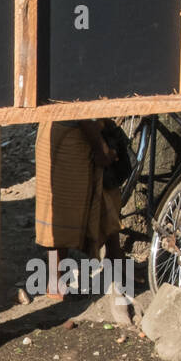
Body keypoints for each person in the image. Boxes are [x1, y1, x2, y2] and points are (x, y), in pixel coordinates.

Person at [33, 119, 124, 300]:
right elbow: (81, 110)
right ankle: (55, 281)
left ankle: (115, 260)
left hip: (85, 131)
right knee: (60, 212)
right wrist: (100, 148)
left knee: (107, 196)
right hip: (65, 137)